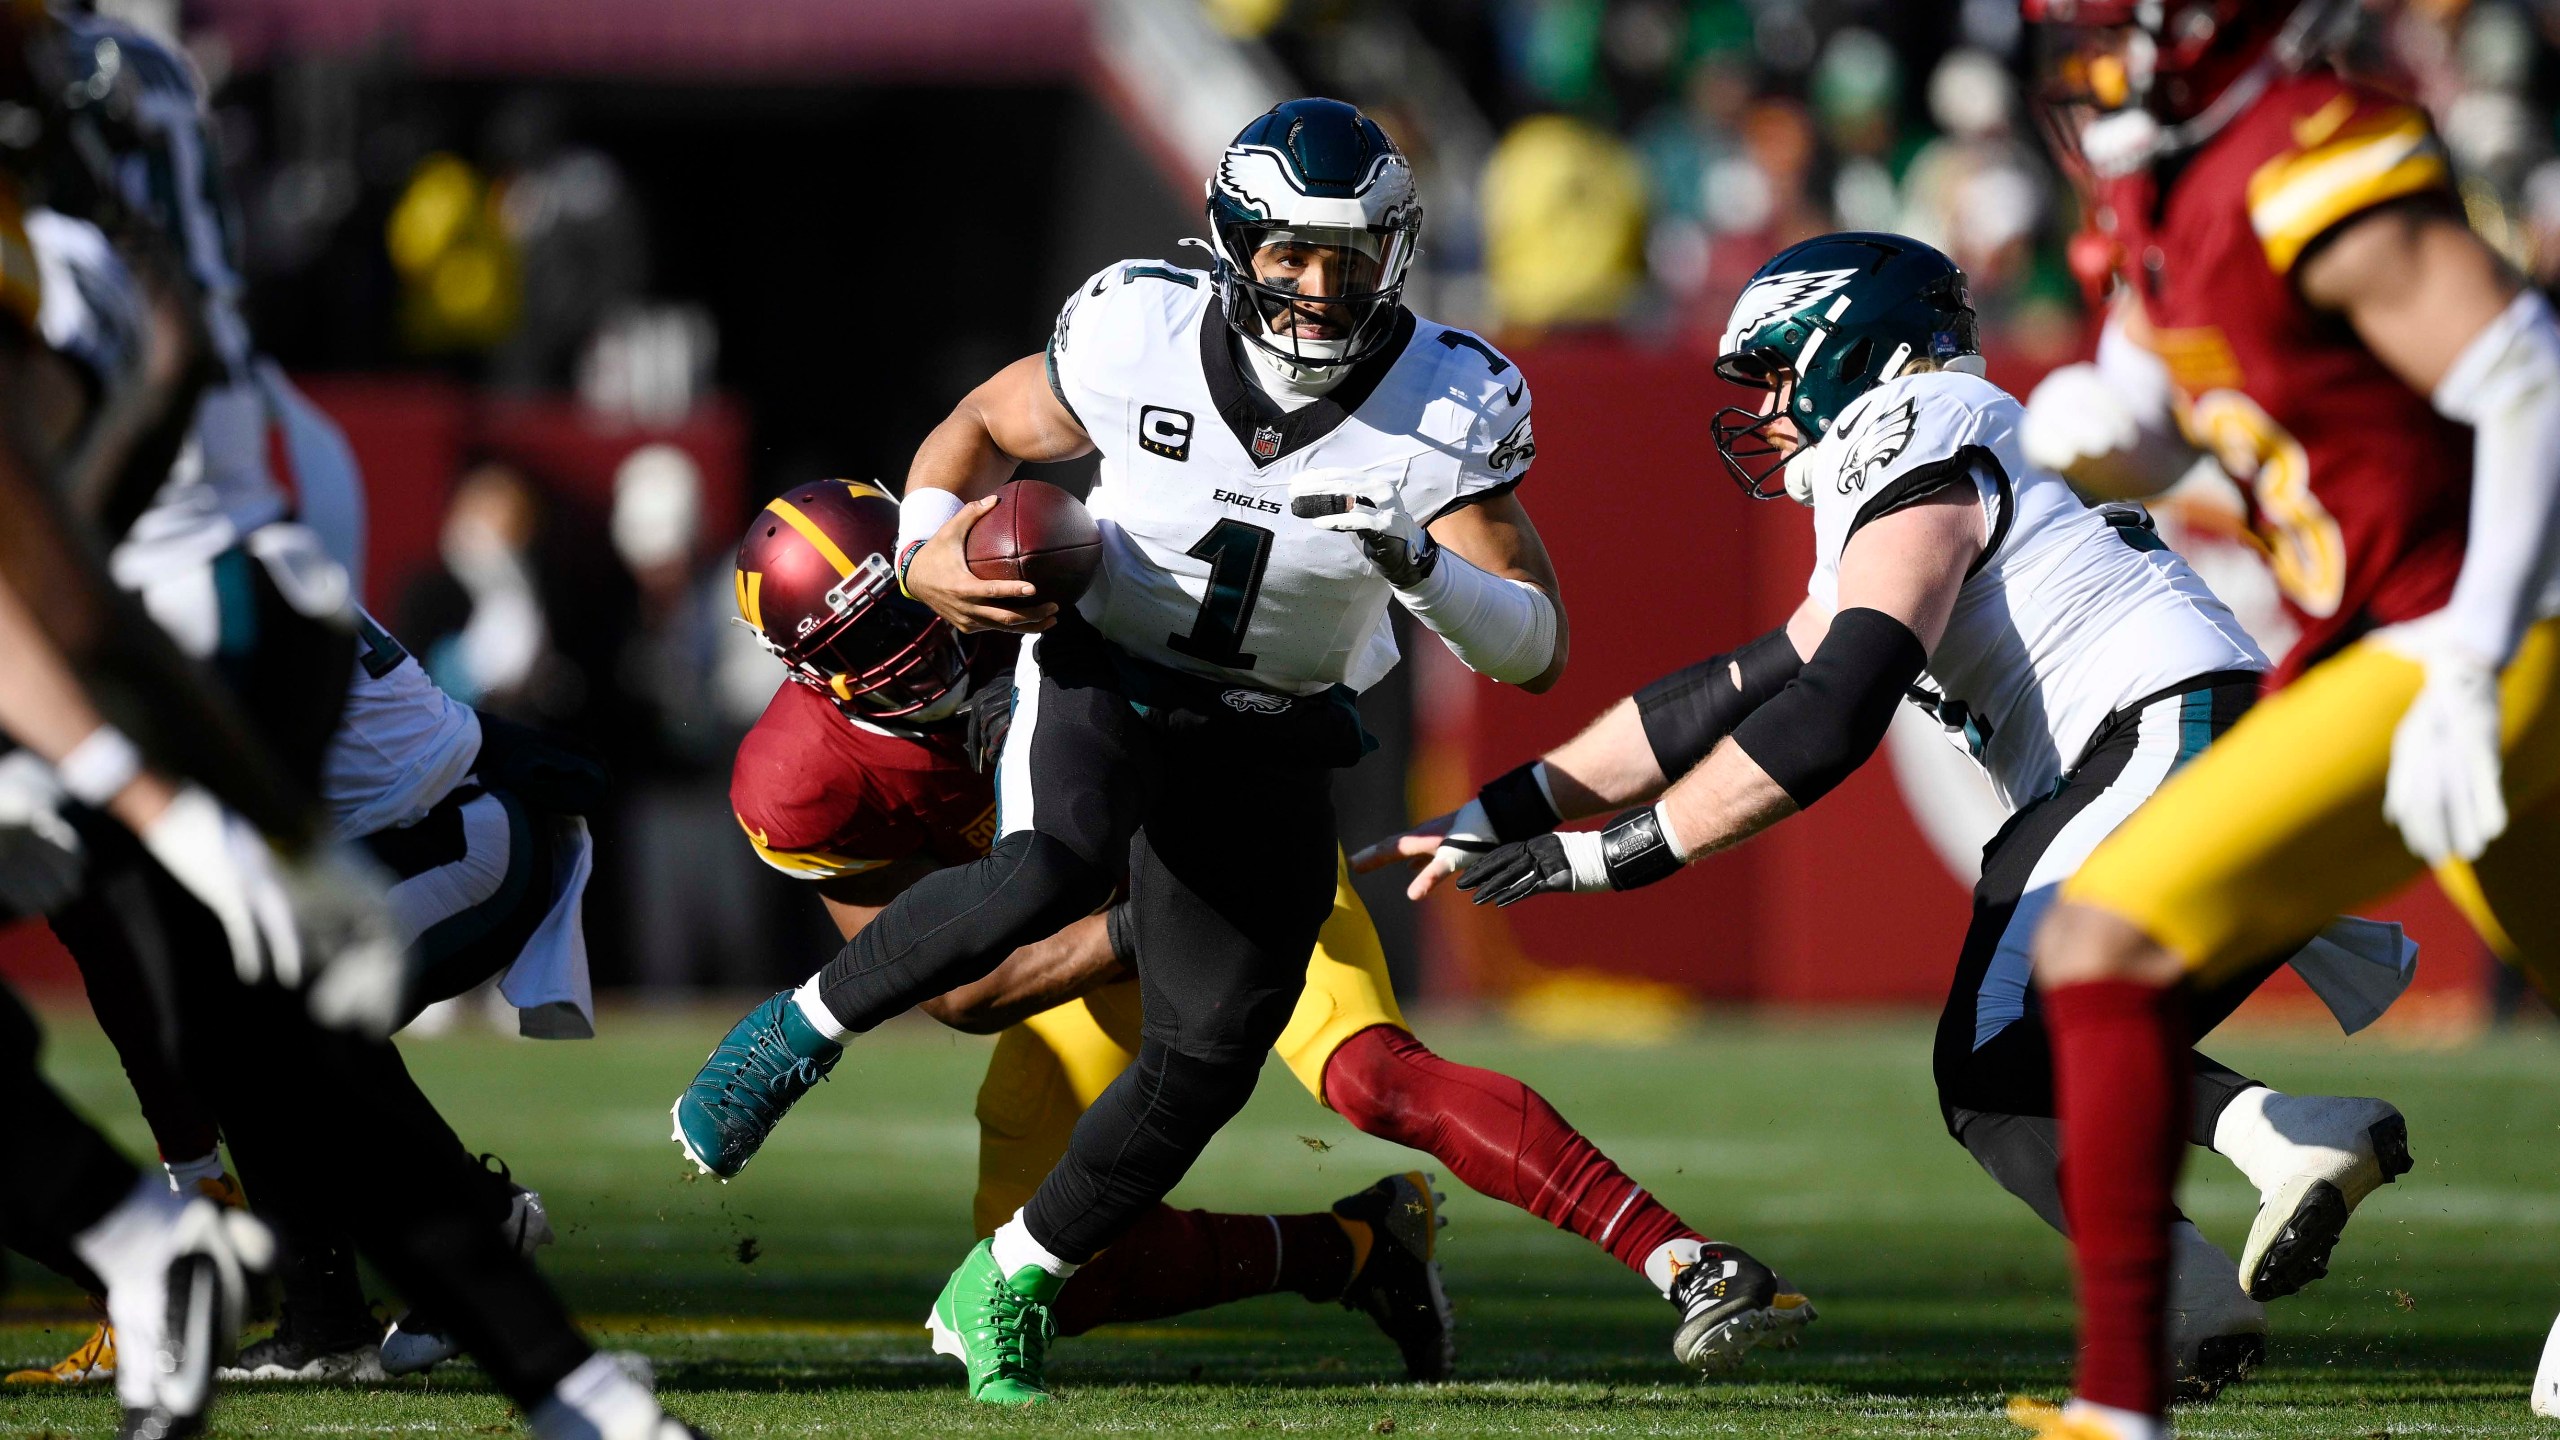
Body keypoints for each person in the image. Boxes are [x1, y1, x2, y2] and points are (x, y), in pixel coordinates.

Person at [1362, 231, 2417, 1402]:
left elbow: (1832, 715)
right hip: (2191, 744)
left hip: (2164, 737)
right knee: (2000, 1074)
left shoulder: (1914, 426)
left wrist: (1607, 858)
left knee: (1999, 1041)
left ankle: (2218, 1237)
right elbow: (1718, 694)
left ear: (1854, 349)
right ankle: (2225, 1246)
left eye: (1772, 371)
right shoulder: (1921, 458)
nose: (1761, 409)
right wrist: (1499, 806)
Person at [678, 478, 1812, 1382]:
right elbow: (959, 994)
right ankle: (1358, 1251)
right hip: (1078, 937)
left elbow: (1019, 415)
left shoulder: (1034, 559)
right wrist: (1144, 932)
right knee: (1058, 1270)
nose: (927, 654)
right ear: (806, 677)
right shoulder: (802, 784)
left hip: (1229, 833)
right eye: (872, 647)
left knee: (1373, 1079)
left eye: (914, 611)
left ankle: (1681, 1256)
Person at [0, 13, 705, 1436]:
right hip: (230, 594)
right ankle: (355, 1306)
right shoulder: (119, 218)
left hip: (414, 795)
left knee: (259, 1029)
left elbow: (94, 517)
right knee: (230, 1013)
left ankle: (431, 1269)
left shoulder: (74, 270)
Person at [2011, 2, 2560, 1435]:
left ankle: (2119, 1405)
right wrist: (2110, 430)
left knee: (2099, 940)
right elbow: (2176, 394)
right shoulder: (2165, 185)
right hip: (2404, 624)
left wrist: (2472, 651)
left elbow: (2527, 374)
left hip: (2471, 624)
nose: (2088, 40)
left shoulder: (2305, 147)